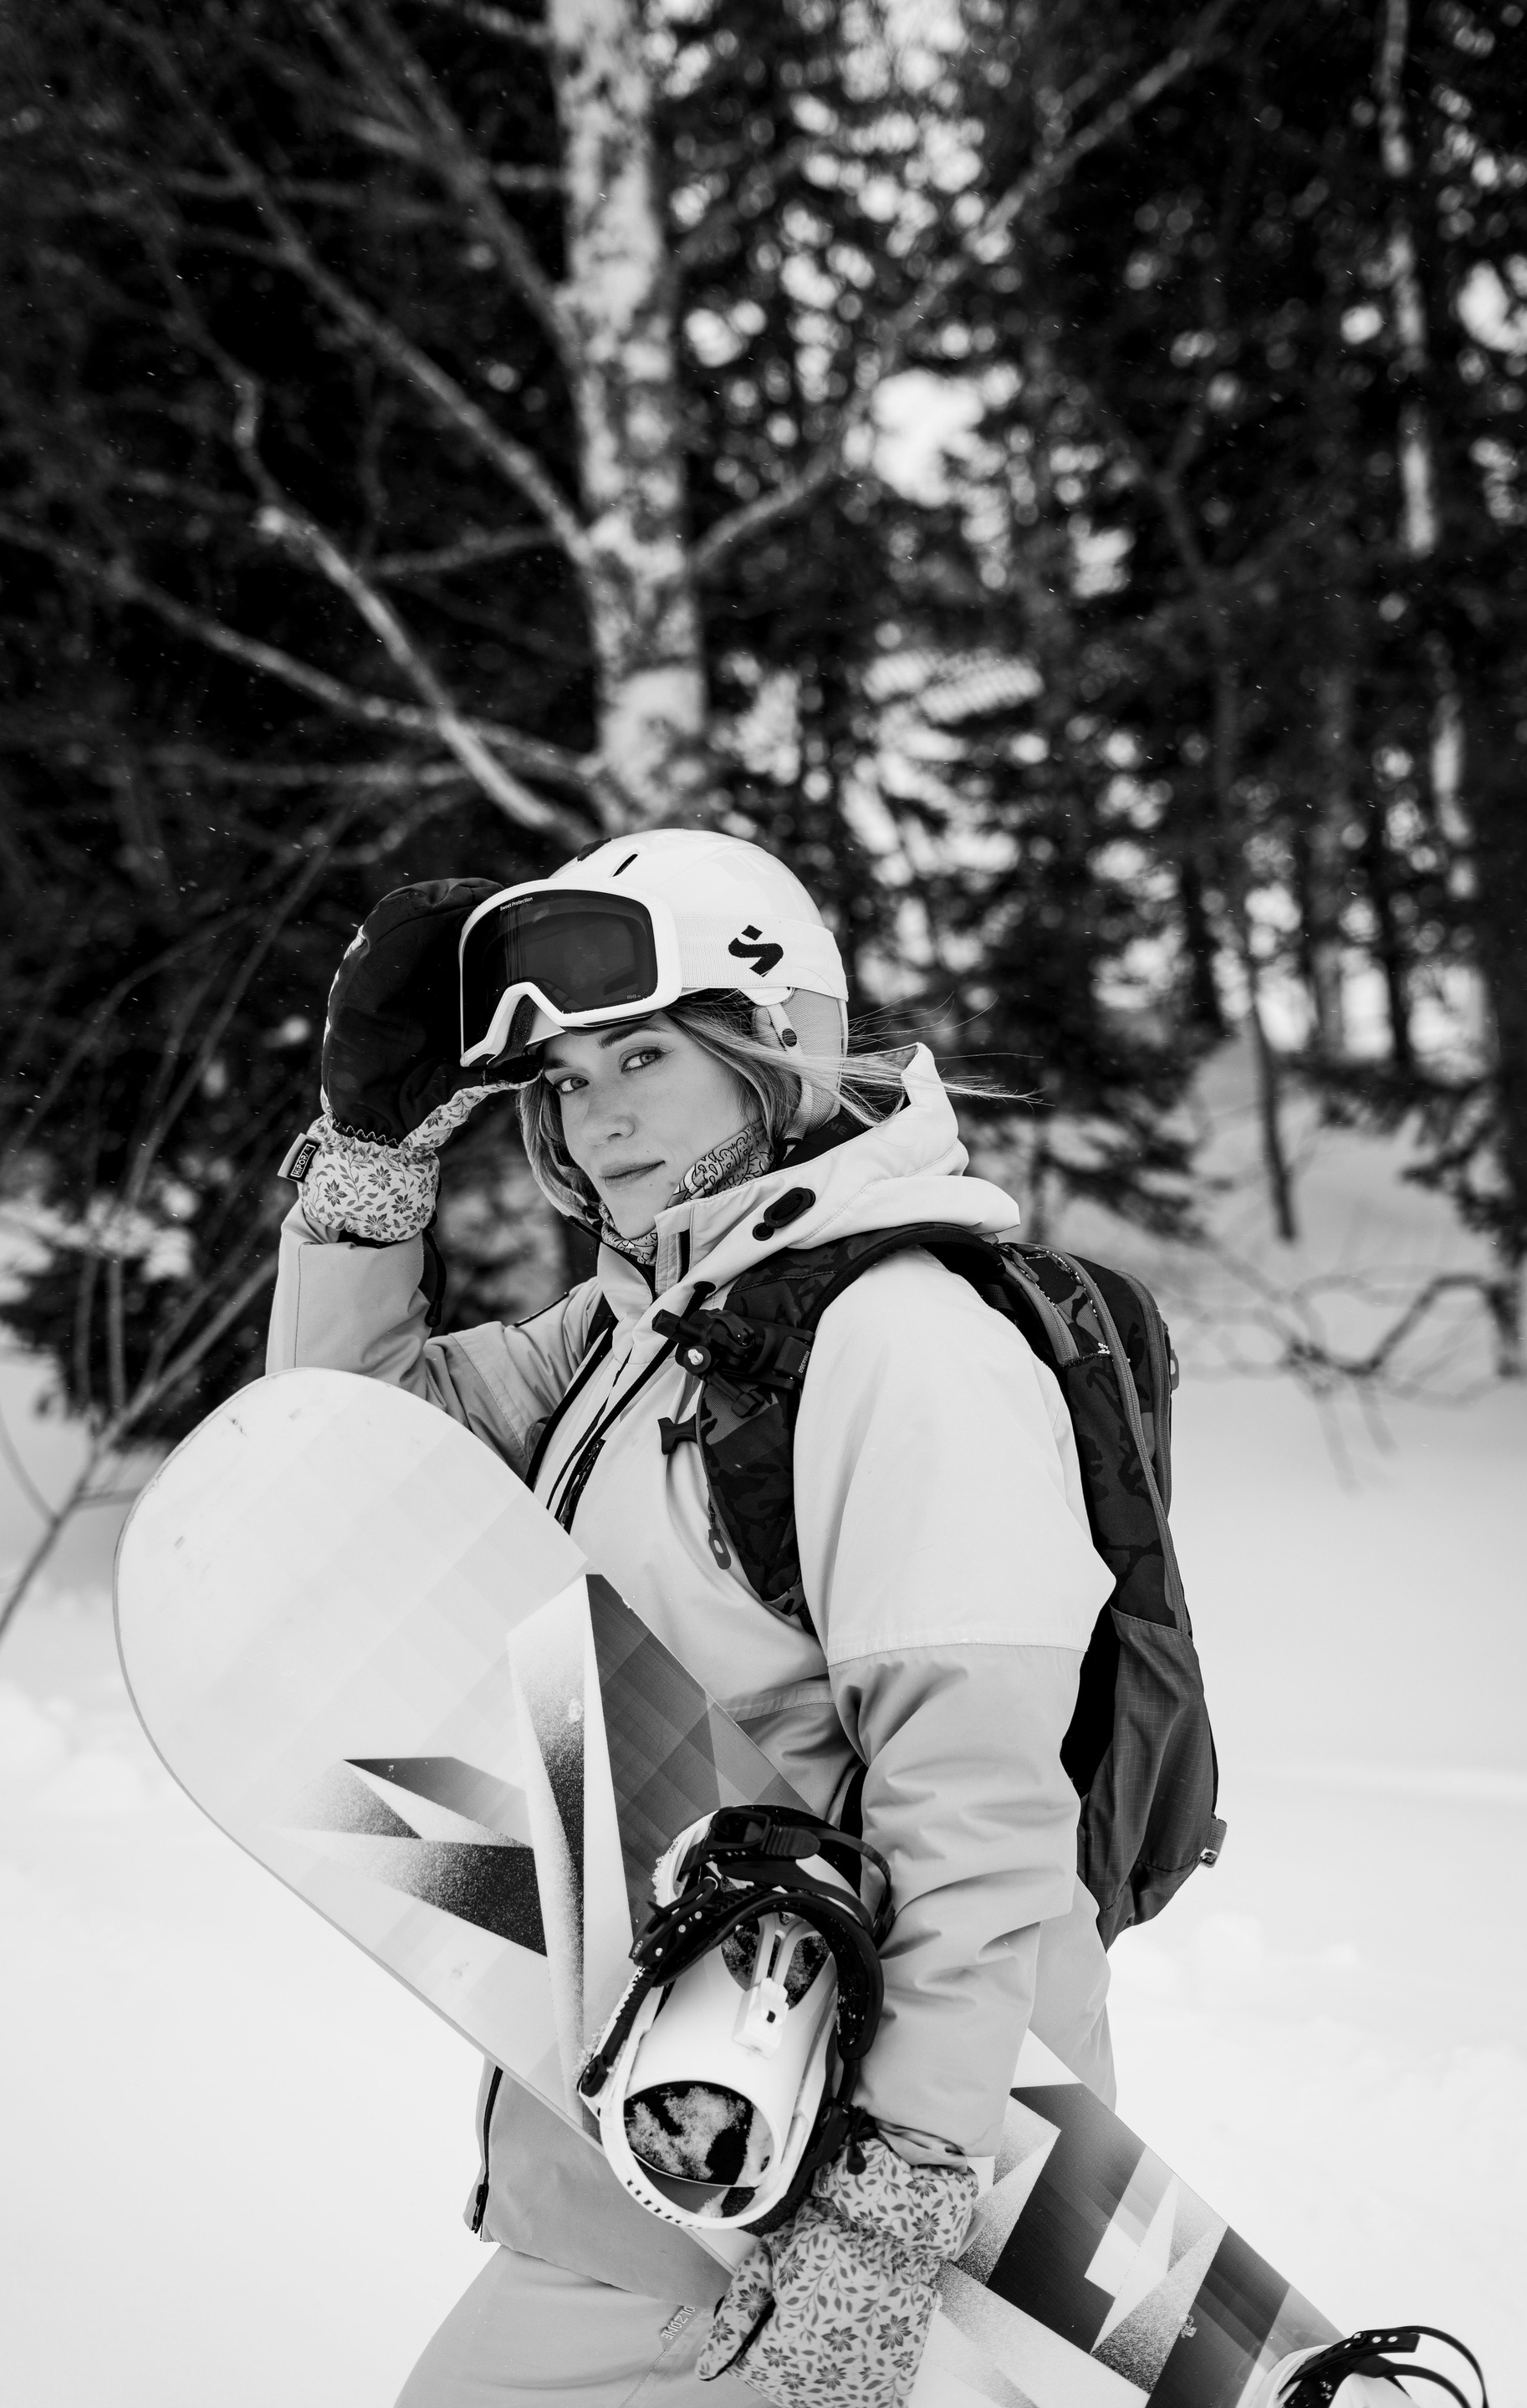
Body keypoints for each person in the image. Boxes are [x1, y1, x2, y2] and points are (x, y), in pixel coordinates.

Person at [267, 829, 1116, 2408]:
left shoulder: (904, 1342)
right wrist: (372, 1173)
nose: (600, 1114)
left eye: (646, 1056)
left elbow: (979, 1811)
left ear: (777, 1045)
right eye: (569, 1078)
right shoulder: (643, 1331)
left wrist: (888, 2222)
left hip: (815, 2210)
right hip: (646, 2176)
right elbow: (342, 1468)